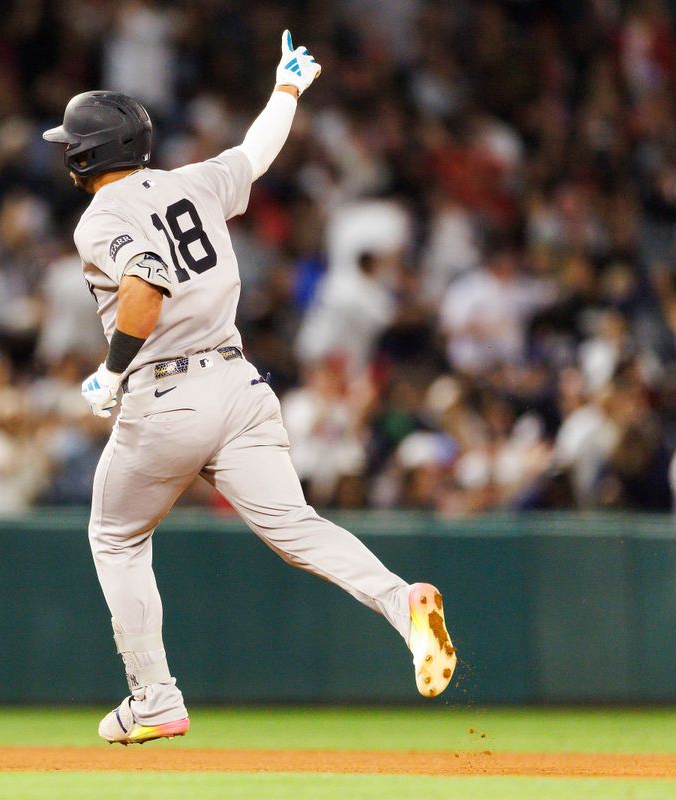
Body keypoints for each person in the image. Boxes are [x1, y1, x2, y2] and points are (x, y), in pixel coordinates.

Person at [43, 30, 457, 746]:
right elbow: (258, 151)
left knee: (116, 538)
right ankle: (400, 602)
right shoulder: (191, 183)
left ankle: (155, 698)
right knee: (296, 527)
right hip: (239, 384)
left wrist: (111, 372)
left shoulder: (101, 218)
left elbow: (146, 285)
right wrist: (287, 87)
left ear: (84, 156)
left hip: (166, 394)